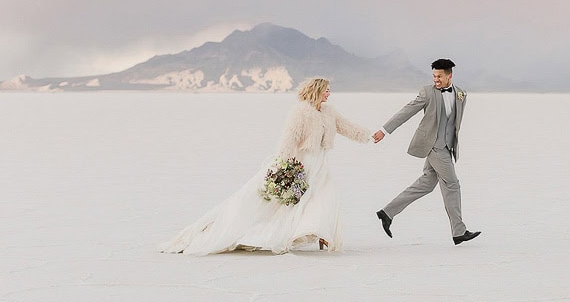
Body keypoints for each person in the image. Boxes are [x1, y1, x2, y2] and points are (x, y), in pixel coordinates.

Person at [159, 77, 372, 255]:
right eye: (326, 90)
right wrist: (286, 164)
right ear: (316, 91)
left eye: (329, 90)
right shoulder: (301, 111)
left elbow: (345, 126)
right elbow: (290, 137)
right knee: (288, 202)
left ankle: (318, 232)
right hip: (302, 161)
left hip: (320, 162)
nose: (329, 94)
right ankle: (264, 233)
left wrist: (368, 137)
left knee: (325, 195)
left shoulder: (328, 111)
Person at [373, 59, 481, 245]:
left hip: (448, 145)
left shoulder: (461, 93)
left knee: (426, 183)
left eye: (439, 76)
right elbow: (406, 111)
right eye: (434, 76)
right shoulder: (427, 92)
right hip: (434, 146)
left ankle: (387, 212)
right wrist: (384, 130)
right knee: (452, 185)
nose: (436, 79)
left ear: (449, 76)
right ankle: (459, 231)